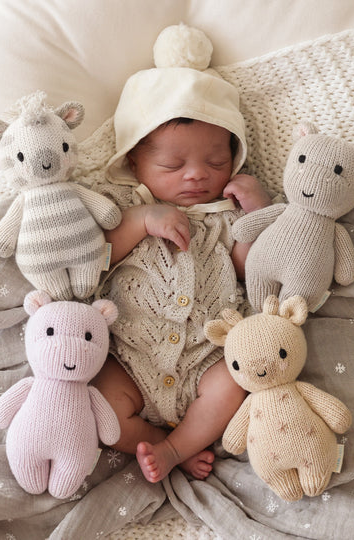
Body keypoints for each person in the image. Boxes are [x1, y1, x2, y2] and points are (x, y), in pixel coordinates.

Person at [92, 24, 272, 483]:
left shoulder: (225, 214)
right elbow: (96, 261)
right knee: (98, 405)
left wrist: (255, 215)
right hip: (130, 356)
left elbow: (252, 272)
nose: (196, 176)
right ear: (135, 161)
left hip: (205, 358)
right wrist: (142, 222)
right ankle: (154, 445)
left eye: (215, 162)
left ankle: (177, 445)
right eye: (173, 165)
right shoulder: (127, 208)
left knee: (235, 382)